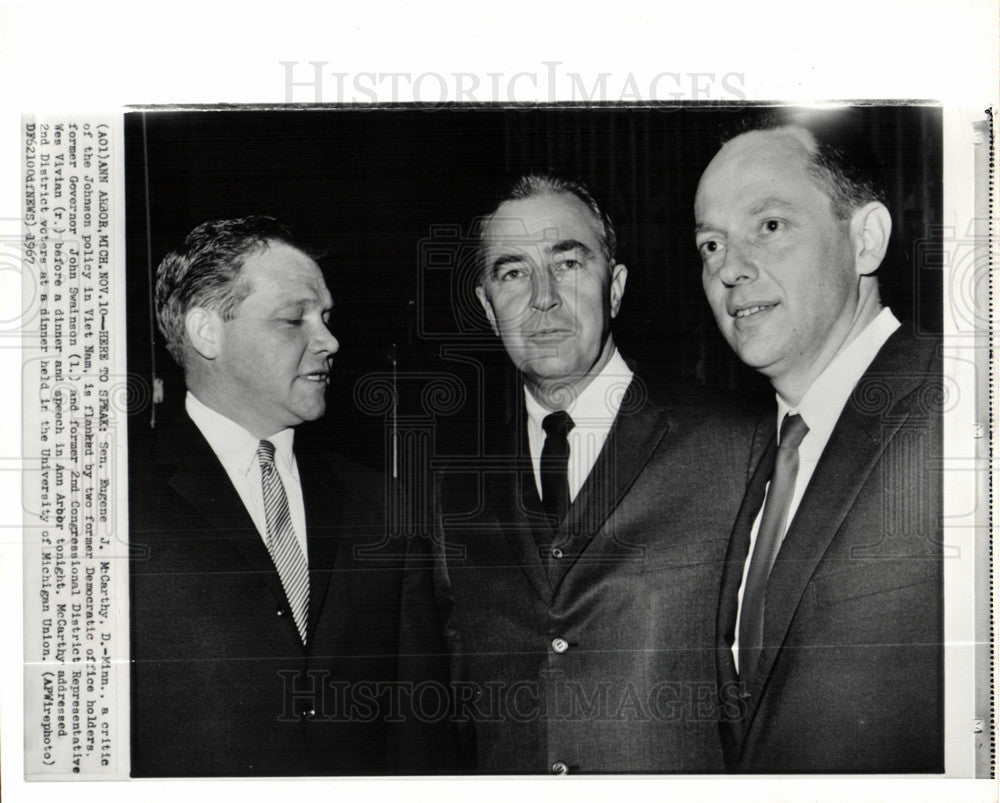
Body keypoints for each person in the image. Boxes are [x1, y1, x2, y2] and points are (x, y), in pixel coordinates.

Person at [425, 175, 756, 773]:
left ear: (616, 288)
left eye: (568, 262)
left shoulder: (736, 442)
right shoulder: (456, 488)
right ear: (486, 307)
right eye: (513, 272)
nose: (542, 298)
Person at [129, 216, 446, 776]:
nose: (329, 341)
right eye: (293, 319)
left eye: (325, 317)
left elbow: (418, 732)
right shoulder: (110, 502)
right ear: (208, 332)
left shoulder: (386, 507)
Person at [694, 123, 943, 772]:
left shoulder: (963, 415)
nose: (730, 268)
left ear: (865, 239)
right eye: (711, 244)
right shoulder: (749, 459)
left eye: (770, 226)